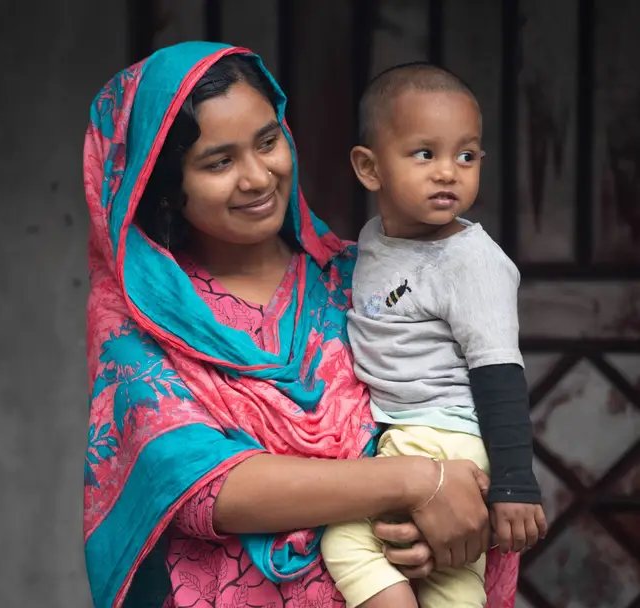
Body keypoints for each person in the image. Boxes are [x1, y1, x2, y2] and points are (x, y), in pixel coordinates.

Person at [83, 42, 520, 608]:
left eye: (267, 142)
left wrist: (435, 537)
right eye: (219, 162)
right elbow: (198, 485)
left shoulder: (360, 281)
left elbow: (462, 423)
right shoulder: (142, 323)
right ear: (164, 183)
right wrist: (416, 483)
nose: (258, 177)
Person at [321, 63, 547, 608]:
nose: (449, 172)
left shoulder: (469, 261)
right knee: (450, 578)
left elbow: (499, 373)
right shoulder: (376, 239)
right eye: (425, 154)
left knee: (347, 539)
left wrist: (515, 482)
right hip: (406, 436)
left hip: (443, 435)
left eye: (466, 156)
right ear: (369, 169)